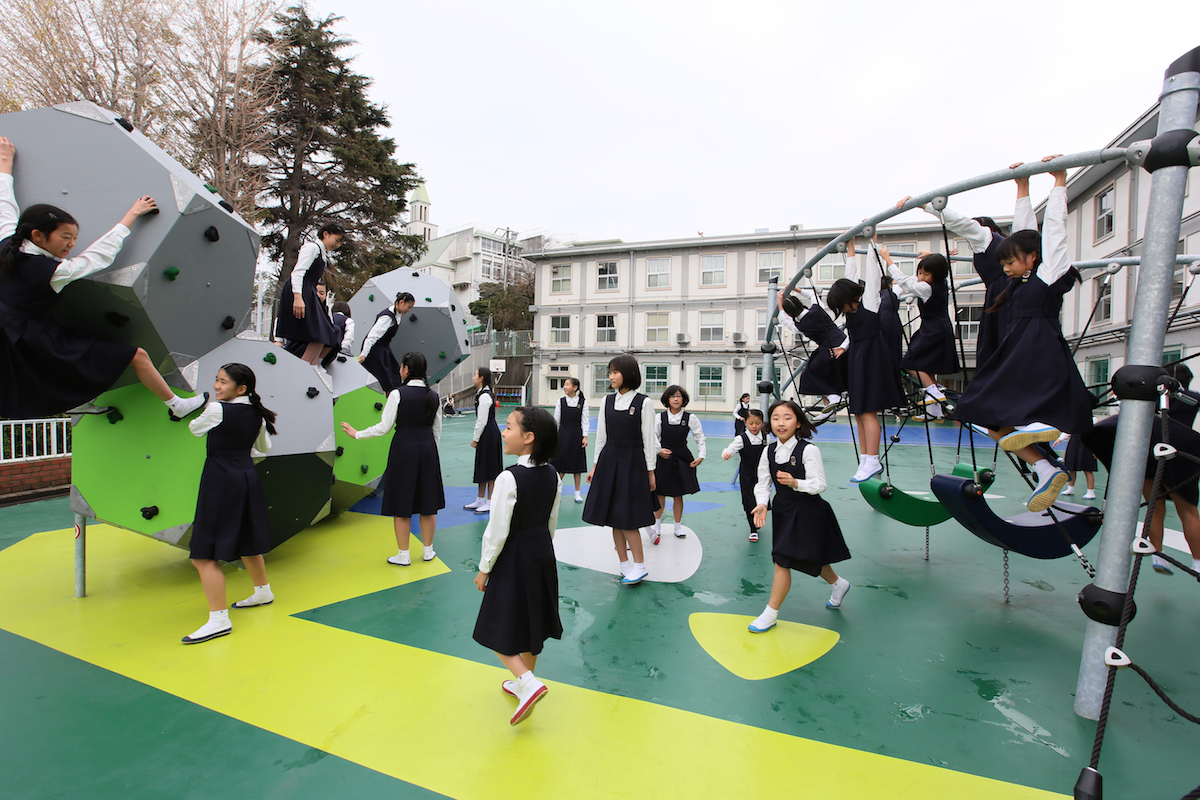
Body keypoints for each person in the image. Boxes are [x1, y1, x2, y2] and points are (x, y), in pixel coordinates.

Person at [0, 136, 207, 421]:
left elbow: (4, 203)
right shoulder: (54, 272)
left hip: (15, 340)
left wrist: (5, 163)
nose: (71, 244)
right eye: (65, 237)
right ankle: (178, 405)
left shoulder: (7, 242)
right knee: (137, 355)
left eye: (73, 237)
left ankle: (78, 402)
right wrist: (131, 216)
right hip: (38, 342)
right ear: (38, 235)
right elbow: (99, 257)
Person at [954, 157, 1093, 513]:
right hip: (1015, 350)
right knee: (981, 412)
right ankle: (1045, 467)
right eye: (1002, 264)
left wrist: (1059, 181)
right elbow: (1021, 232)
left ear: (1034, 258)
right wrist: (1022, 186)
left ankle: (1038, 426)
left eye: (1010, 262)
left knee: (1020, 404)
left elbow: (1055, 231)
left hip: (1040, 349)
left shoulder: (1048, 274)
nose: (1005, 269)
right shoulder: (1018, 282)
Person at [472, 406, 562, 726]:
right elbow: (551, 522)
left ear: (528, 438)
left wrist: (484, 568)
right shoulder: (552, 474)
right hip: (541, 554)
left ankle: (527, 682)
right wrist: (543, 552)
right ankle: (525, 682)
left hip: (514, 556)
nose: (502, 432)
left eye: (508, 427)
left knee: (493, 626)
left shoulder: (509, 477)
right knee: (532, 623)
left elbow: (497, 531)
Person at [900, 166, 1040, 369]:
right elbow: (1026, 226)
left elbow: (961, 223)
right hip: (1009, 293)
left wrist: (924, 205)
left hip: (1003, 295)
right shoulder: (1010, 249)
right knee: (1015, 342)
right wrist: (1023, 186)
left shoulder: (984, 237)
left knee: (1003, 343)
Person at [182, 363, 277, 644]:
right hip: (246, 477)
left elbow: (193, 429)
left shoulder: (217, 410)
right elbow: (264, 448)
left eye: (222, 382)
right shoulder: (256, 414)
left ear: (241, 388)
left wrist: (206, 408)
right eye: (217, 379)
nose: (216, 386)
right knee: (247, 536)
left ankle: (218, 619)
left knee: (203, 553)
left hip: (221, 478)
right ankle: (263, 591)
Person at [1085, 363, 1200, 577]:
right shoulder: (1192, 397)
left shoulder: (1151, 394)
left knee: (1153, 506)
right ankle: (1198, 562)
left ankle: (1158, 555)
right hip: (1179, 447)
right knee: (1188, 511)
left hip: (1148, 446)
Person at [748, 399, 852, 633]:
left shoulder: (808, 449)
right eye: (775, 418)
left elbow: (820, 484)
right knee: (802, 557)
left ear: (797, 423)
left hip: (808, 509)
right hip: (783, 509)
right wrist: (762, 504)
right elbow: (762, 483)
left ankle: (770, 613)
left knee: (785, 558)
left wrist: (796, 483)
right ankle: (839, 584)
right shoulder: (769, 450)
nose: (780, 423)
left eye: (787, 418)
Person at [341, 351, 445, 566]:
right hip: (427, 450)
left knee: (402, 503)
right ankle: (428, 550)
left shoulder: (398, 394)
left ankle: (403, 555)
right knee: (428, 504)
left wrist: (357, 433)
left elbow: (384, 427)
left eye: (401, 367)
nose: (399, 371)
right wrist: (430, 453)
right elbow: (437, 431)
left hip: (404, 449)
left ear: (407, 369)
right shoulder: (433, 396)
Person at [828, 237, 907, 482]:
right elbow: (850, 273)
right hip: (859, 356)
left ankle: (873, 459)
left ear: (849, 298)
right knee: (859, 411)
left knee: (869, 411)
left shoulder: (870, 303)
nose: (842, 309)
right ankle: (865, 458)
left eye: (841, 304)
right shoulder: (852, 311)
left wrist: (872, 241)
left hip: (873, 357)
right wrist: (851, 247)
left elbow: (872, 273)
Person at [583, 354, 658, 586]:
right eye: (610, 372)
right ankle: (625, 564)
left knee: (628, 519)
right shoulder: (606, 401)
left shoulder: (644, 403)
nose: (611, 376)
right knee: (614, 517)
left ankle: (640, 565)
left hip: (632, 462)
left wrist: (650, 471)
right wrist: (595, 466)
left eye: (615, 371)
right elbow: (601, 437)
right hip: (609, 461)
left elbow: (648, 440)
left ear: (629, 373)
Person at [884, 248, 959, 415]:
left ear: (936, 274)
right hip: (937, 327)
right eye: (920, 273)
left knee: (910, 363)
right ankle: (935, 409)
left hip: (933, 329)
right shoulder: (940, 282)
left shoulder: (926, 288)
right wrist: (937, 257)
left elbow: (905, 282)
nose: (921, 277)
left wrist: (888, 260)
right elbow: (913, 279)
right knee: (927, 367)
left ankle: (934, 390)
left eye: (926, 274)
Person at [276, 223, 345, 365]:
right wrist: (297, 297)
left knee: (325, 333)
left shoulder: (322, 252)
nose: (337, 245)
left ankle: (313, 365)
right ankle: (305, 367)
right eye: (337, 240)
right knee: (321, 333)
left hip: (309, 292)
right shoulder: (312, 247)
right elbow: (298, 272)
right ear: (325, 234)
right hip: (301, 291)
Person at [780, 288, 847, 420]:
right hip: (844, 343)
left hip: (829, 350)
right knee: (825, 377)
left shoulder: (799, 325)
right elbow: (812, 294)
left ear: (789, 313)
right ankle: (830, 412)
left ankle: (834, 398)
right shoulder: (817, 309)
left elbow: (785, 320)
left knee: (810, 374)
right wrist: (795, 288)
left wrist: (779, 302)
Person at [650, 385, 706, 543]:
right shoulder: (660, 417)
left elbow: (699, 437)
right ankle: (657, 525)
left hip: (681, 457)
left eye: (679, 396)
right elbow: (652, 436)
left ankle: (677, 526)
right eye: (672, 396)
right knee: (660, 492)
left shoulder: (690, 418)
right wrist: (659, 450)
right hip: (663, 458)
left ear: (684, 399)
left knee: (677, 494)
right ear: (667, 399)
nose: (676, 399)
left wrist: (701, 455)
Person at [722, 408, 768, 542]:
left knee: (761, 499)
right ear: (746, 423)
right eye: (751, 423)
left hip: (762, 474)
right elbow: (731, 448)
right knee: (749, 501)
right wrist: (727, 453)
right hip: (747, 474)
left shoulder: (766, 437)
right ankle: (753, 530)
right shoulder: (741, 438)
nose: (754, 426)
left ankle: (757, 520)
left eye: (758, 423)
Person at [465, 366, 505, 513]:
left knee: (490, 467)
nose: (473, 377)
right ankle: (480, 499)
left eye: (475, 374)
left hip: (488, 434)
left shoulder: (485, 396)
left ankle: (490, 501)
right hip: (486, 434)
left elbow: (481, 420)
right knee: (482, 466)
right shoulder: (481, 393)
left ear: (481, 378)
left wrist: (475, 438)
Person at [358, 292, 414, 393]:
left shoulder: (398, 314)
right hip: (376, 350)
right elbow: (372, 336)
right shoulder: (386, 318)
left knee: (394, 375)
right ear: (401, 302)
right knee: (386, 379)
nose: (409, 310)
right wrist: (363, 355)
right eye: (409, 307)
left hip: (384, 348)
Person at [552, 377, 589, 503]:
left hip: (576, 435)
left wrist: (585, 436)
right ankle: (556, 492)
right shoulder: (560, 402)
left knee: (577, 466)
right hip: (562, 435)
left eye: (568, 384)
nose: (565, 387)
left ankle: (577, 493)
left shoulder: (582, 402)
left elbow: (585, 420)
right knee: (561, 465)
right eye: (564, 384)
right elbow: (556, 421)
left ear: (575, 387)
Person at [1057, 431, 1097, 500]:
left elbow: (1096, 434)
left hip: (1087, 444)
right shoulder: (1074, 420)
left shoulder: (1093, 420)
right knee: (1072, 468)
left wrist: (1095, 449)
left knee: (1088, 469)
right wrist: (1060, 439)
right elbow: (1068, 430)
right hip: (1074, 443)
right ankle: (1070, 489)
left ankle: (1091, 492)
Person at [322, 300, 354, 368]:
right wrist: (344, 350)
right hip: (334, 352)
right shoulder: (348, 321)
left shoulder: (327, 316)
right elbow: (348, 338)